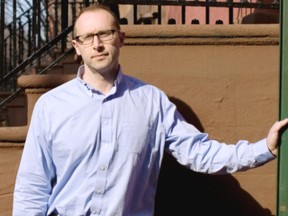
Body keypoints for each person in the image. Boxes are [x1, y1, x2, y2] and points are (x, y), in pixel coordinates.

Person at [12, 4, 288, 216]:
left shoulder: (151, 102)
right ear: (76, 47)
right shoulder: (51, 106)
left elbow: (201, 153)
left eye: (105, 34)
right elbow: (32, 187)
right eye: (87, 38)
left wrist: (265, 148)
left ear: (121, 38)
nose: (97, 44)